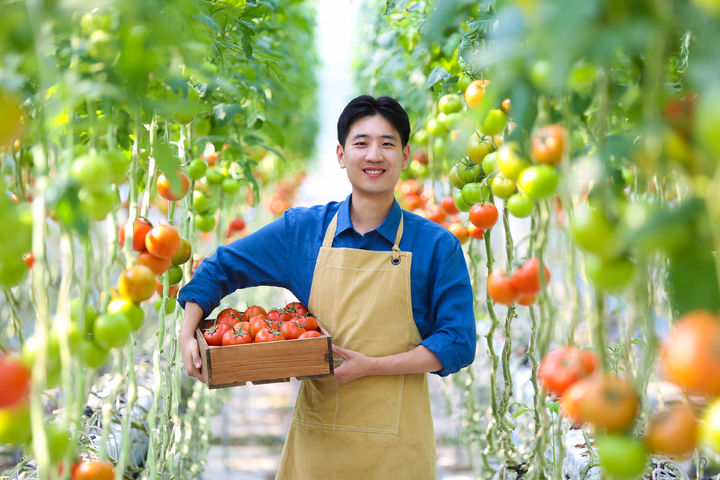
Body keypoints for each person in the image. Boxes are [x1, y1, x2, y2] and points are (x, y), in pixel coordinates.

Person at [178, 95, 476, 479]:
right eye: (361, 143)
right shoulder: (303, 232)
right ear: (341, 154)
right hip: (320, 445)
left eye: (387, 143)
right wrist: (188, 332)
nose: (374, 155)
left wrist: (373, 367)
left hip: (399, 452)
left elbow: (458, 342)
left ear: (404, 156)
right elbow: (222, 266)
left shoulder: (436, 245)